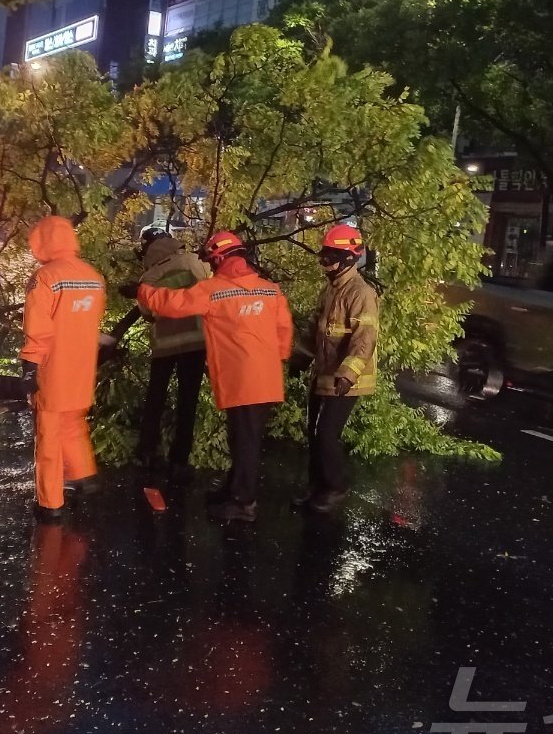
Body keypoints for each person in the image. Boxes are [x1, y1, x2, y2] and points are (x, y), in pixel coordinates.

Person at [138, 231, 292, 523]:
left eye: (211, 260)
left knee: (244, 441)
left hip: (240, 377)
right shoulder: (270, 290)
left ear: (220, 257)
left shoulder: (214, 290)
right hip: (265, 377)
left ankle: (244, 502)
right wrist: (274, 360)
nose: (210, 265)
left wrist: (142, 290)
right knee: (243, 437)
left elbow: (173, 303)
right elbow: (284, 332)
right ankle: (234, 490)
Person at [20, 215, 107, 523]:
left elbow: (38, 328)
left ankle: (50, 503)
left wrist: (29, 368)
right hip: (82, 370)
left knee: (49, 439)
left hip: (53, 370)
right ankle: (85, 476)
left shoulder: (45, 277)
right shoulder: (93, 276)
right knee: (73, 425)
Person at [294, 223, 378, 514]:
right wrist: (300, 358)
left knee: (327, 434)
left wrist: (348, 374)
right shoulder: (330, 290)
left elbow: (364, 339)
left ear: (349, 259)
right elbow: (314, 330)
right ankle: (317, 487)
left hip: (345, 379)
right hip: (324, 374)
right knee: (314, 432)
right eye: (324, 256)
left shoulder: (360, 293)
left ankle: (335, 487)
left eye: (330, 256)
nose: (325, 262)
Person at [122, 228, 211, 482]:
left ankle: (147, 451)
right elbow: (209, 296)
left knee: (155, 399)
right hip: (195, 343)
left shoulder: (148, 276)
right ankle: (179, 461)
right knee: (187, 403)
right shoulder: (195, 262)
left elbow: (148, 313)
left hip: (164, 345)